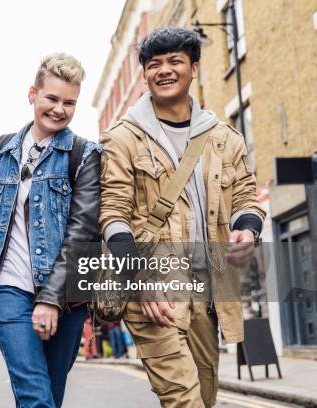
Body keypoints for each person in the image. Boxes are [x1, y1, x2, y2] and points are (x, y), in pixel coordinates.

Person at [99, 27, 265, 407]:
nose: (164, 70)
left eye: (175, 61)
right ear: (145, 75)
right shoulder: (123, 138)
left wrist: (247, 229)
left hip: (208, 289)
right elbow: (112, 214)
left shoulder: (223, 137)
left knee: (204, 398)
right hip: (153, 290)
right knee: (183, 400)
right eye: (154, 64)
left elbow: (245, 196)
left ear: (194, 67)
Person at [0, 53, 101, 408]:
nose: (59, 109)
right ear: (32, 93)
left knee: (50, 394)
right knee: (36, 396)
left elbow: (82, 232)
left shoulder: (83, 155)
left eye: (70, 102)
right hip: (8, 287)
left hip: (68, 295)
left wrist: (52, 297)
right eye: (52, 98)